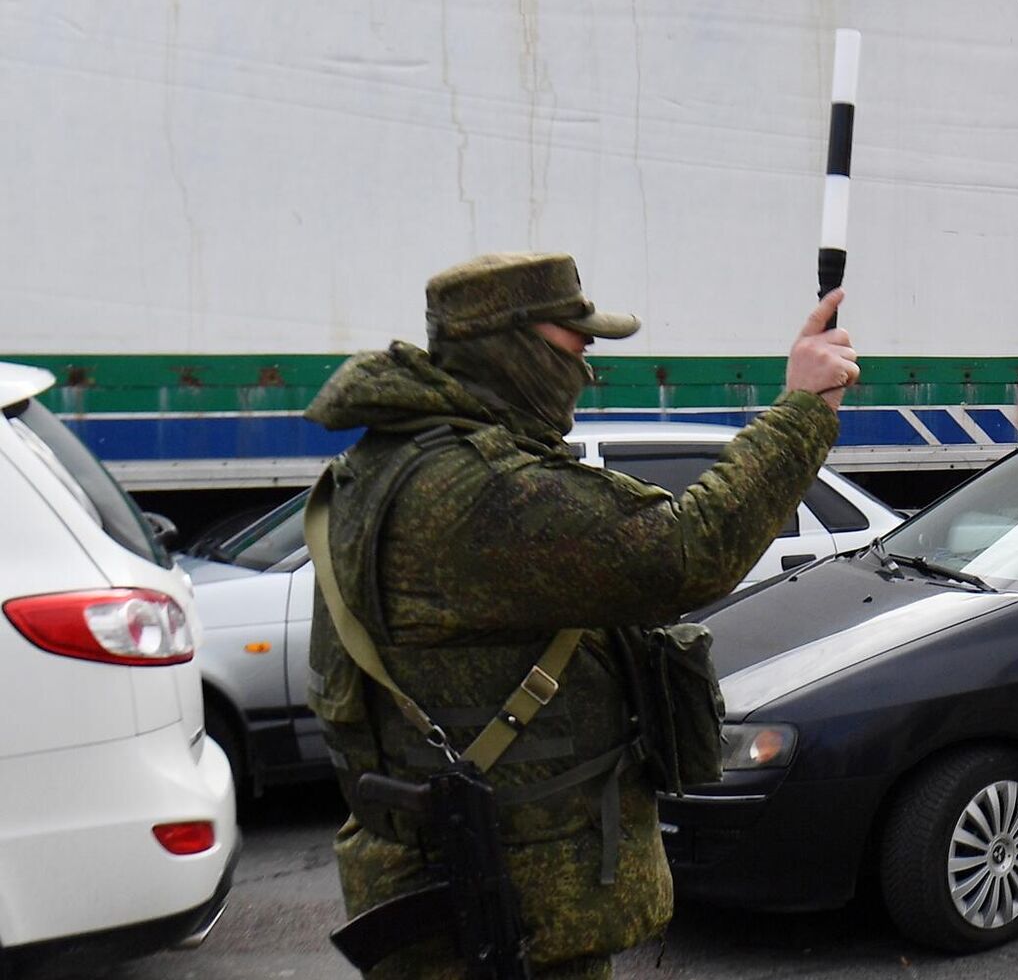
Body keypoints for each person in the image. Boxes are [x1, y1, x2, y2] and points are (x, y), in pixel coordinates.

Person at [303, 252, 857, 978]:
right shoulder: (477, 491)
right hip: (506, 915)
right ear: (514, 345)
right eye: (577, 342)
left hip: (455, 888)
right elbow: (684, 553)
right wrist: (801, 412)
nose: (588, 365)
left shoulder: (386, 463)